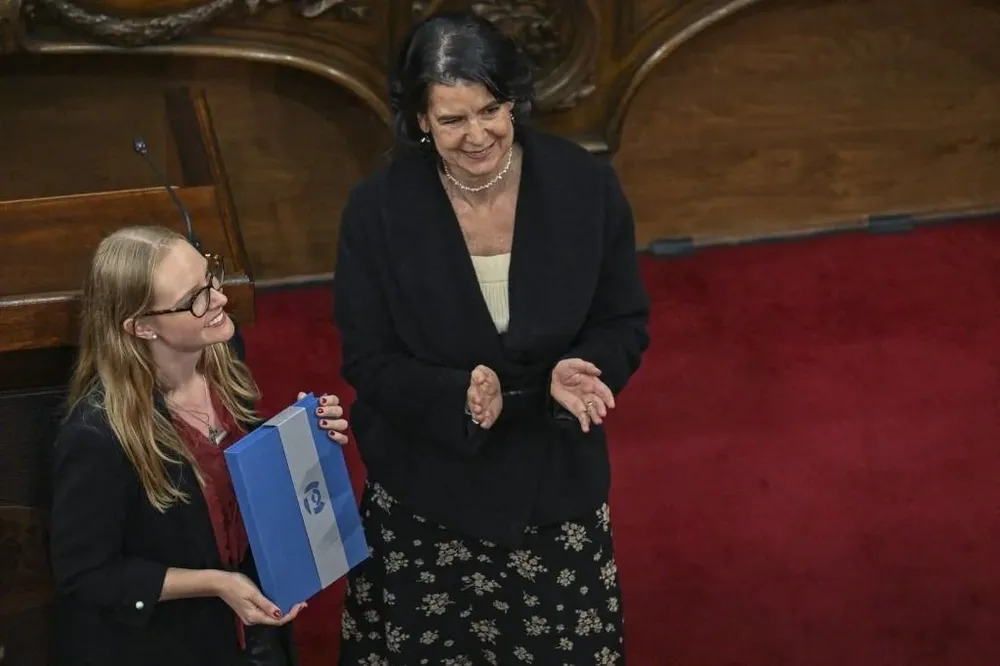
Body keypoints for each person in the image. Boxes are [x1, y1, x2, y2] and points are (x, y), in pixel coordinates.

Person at [333, 10, 650, 665]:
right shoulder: (376, 210)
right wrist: (455, 394)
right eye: (451, 120)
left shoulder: (584, 186)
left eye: (490, 111)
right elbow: (368, 358)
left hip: (555, 479)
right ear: (419, 120)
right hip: (432, 488)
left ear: (514, 102)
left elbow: (623, 321)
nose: (477, 135)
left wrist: (585, 367)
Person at [49, 226, 350, 666]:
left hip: (255, 627)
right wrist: (215, 583)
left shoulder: (225, 350)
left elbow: (233, 476)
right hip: (169, 643)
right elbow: (86, 574)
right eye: (195, 299)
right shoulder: (96, 435)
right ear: (141, 327)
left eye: (211, 277)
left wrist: (304, 436)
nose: (220, 299)